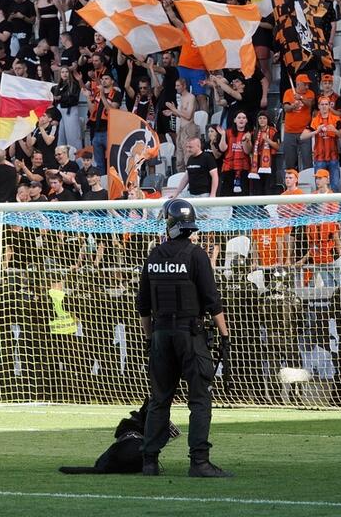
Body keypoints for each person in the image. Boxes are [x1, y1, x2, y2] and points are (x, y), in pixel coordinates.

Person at [138, 199, 232, 478]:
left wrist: (149, 338)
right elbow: (212, 302)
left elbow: (143, 305)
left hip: (160, 335)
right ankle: (199, 462)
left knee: (159, 399)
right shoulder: (196, 255)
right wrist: (225, 335)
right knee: (200, 400)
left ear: (169, 223)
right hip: (190, 335)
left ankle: (149, 462)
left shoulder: (153, 256)